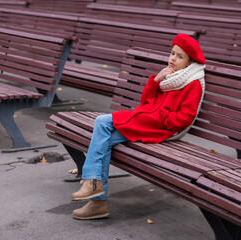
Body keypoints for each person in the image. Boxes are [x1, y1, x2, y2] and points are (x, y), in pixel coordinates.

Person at [71, 33, 206, 220]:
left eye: (180, 56)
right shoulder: (170, 76)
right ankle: (97, 203)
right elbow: (146, 102)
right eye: (172, 53)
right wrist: (156, 80)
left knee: (102, 122)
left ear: (190, 63)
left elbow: (184, 118)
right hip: (147, 120)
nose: (173, 58)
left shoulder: (192, 83)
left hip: (159, 128)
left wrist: (158, 116)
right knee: (104, 139)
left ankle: (93, 185)